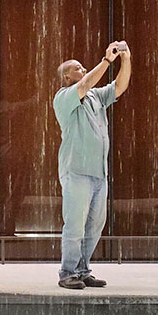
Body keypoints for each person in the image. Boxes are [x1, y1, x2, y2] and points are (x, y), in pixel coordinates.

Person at [51, 40, 130, 291]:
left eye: (83, 67)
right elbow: (84, 84)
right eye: (78, 67)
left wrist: (125, 58)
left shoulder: (96, 96)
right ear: (66, 76)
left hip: (99, 174)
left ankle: (83, 271)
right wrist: (107, 61)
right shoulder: (63, 97)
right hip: (77, 172)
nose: (83, 70)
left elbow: (119, 86)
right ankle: (68, 272)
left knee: (94, 225)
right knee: (75, 224)